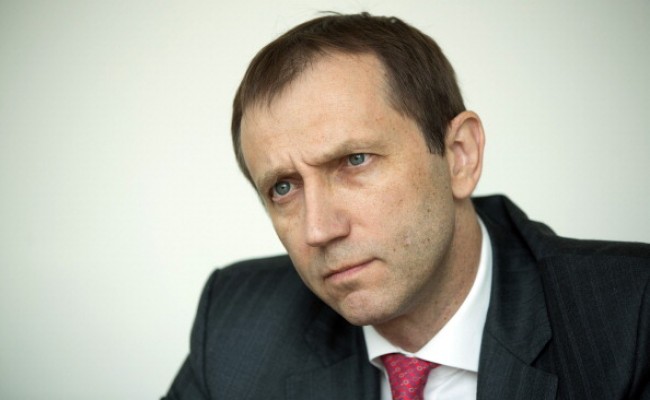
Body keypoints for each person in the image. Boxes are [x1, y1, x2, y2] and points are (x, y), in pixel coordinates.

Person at [163, 13, 650, 400]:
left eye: (355, 160)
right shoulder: (236, 326)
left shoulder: (632, 313)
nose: (319, 230)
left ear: (459, 156)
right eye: (284, 188)